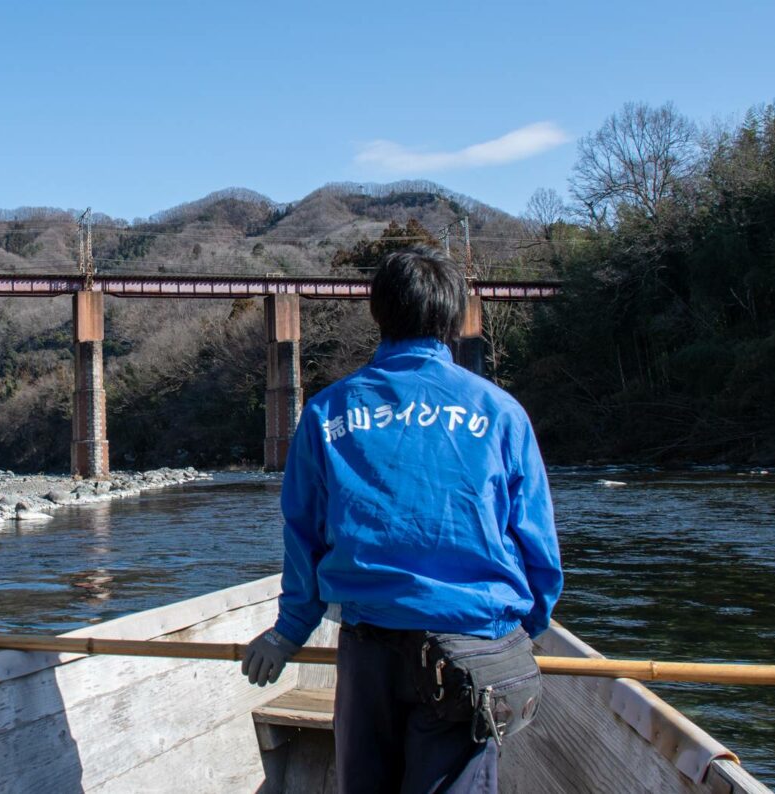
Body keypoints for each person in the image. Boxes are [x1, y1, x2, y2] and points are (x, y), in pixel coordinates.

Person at [240, 245, 563, 793]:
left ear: (378, 313)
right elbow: (537, 546)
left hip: (370, 651)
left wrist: (289, 632)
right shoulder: (500, 412)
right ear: (454, 317)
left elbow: (304, 535)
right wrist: (527, 627)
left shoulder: (329, 412)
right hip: (472, 645)